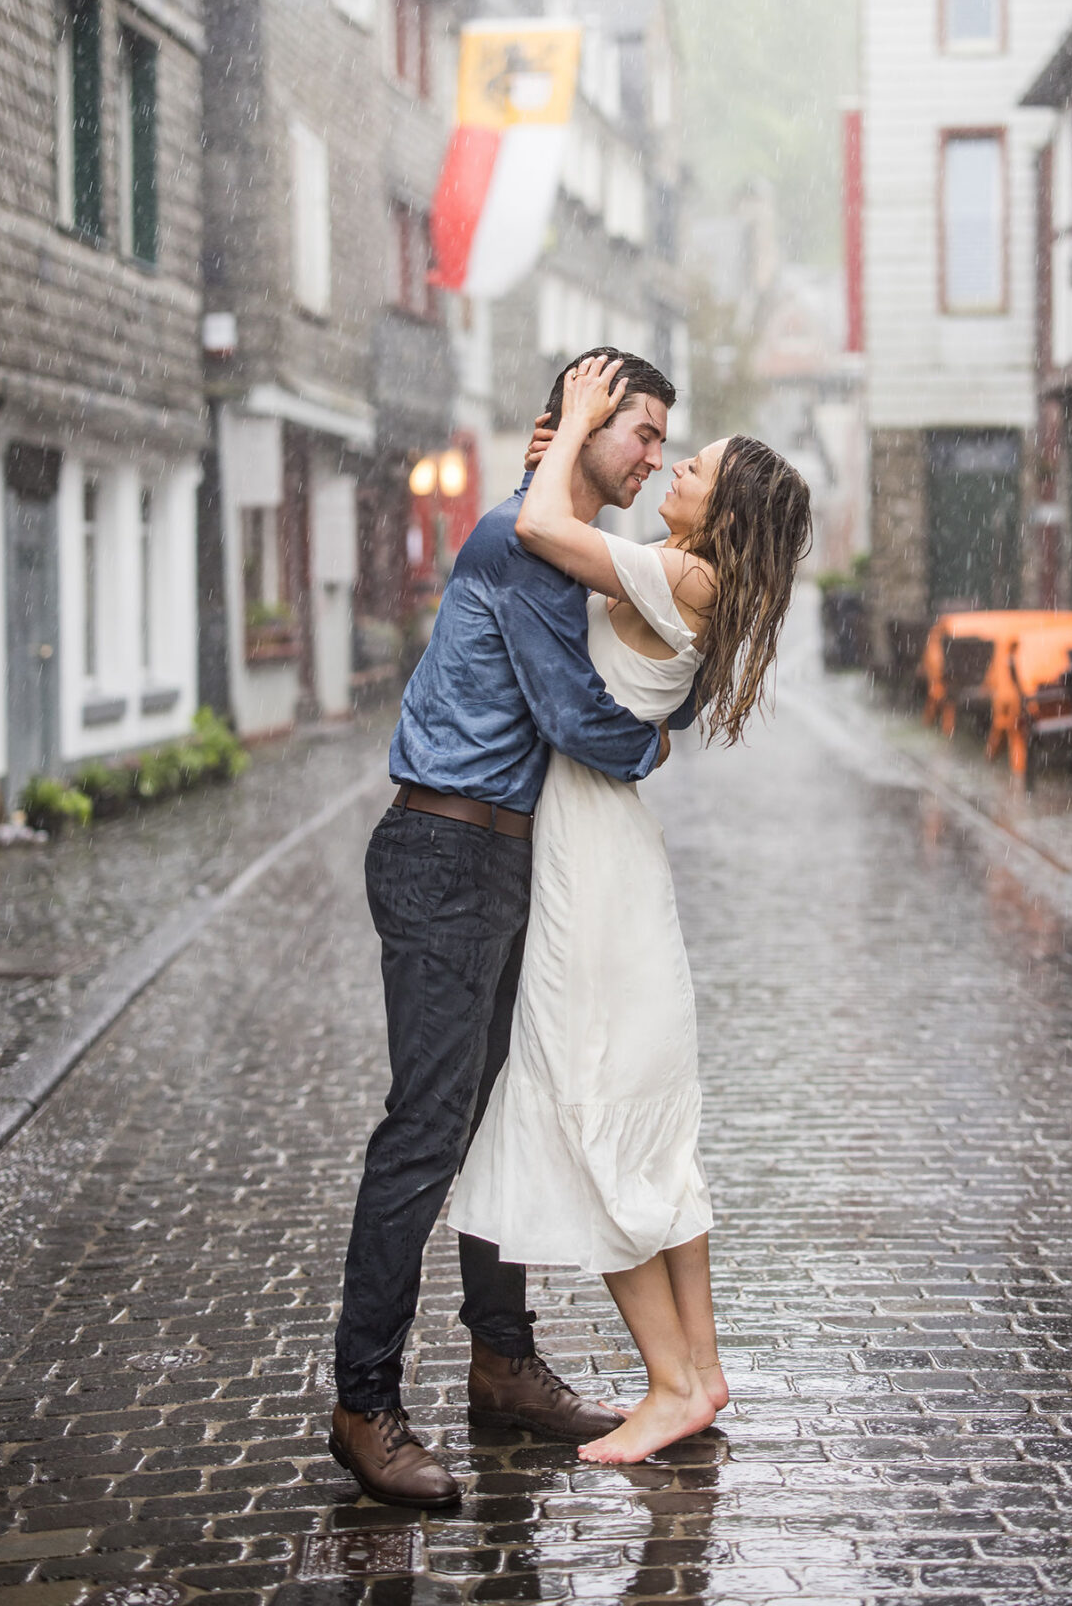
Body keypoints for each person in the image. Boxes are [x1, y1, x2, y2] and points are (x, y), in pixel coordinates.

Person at [330, 349, 693, 1508]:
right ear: (575, 421)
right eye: (637, 428)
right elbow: (582, 719)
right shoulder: (520, 545)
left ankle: (501, 1363)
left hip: (499, 853)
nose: (654, 455)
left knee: (495, 1124)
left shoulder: (557, 543)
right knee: (427, 1133)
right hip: (445, 853)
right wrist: (654, 743)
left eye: (659, 435)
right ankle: (363, 1402)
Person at [450, 354, 812, 1464]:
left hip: (588, 866)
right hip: (615, 853)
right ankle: (699, 1373)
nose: (670, 467)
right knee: (651, 1126)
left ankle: (664, 1384)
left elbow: (541, 539)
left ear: (723, 509)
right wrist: (556, 458)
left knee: (590, 1107)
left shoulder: (682, 580)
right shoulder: (679, 571)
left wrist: (568, 440)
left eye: (690, 465)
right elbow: (568, 529)